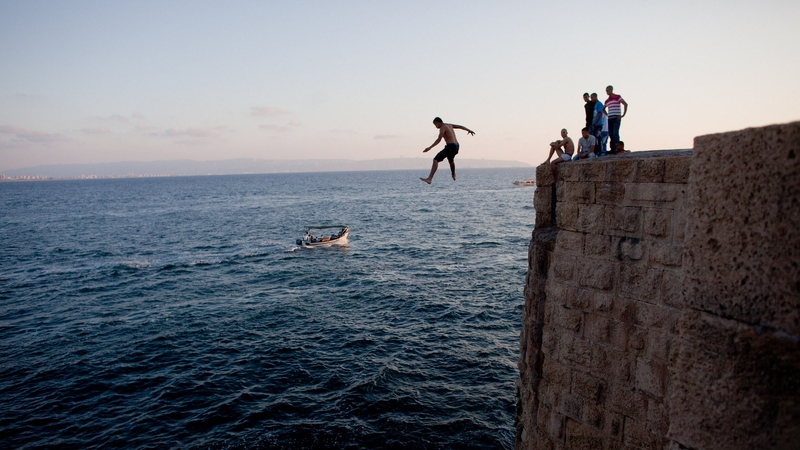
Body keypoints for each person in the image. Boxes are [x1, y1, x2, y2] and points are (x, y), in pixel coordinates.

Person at [420, 117, 475, 184]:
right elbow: (460, 126)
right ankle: (453, 174)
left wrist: (429, 147)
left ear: (438, 122)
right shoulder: (449, 125)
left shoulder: (443, 127)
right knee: (450, 160)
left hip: (450, 146)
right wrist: (468, 130)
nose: (436, 127)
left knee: (435, 160)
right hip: (456, 146)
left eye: (435, 125)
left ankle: (429, 178)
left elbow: (439, 139)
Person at [602, 85, 628, 153]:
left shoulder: (617, 97)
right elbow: (603, 109)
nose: (607, 92)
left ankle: (618, 148)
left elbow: (625, 104)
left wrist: (622, 115)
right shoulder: (607, 100)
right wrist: (607, 114)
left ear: (611, 90)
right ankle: (613, 149)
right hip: (610, 118)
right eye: (606, 91)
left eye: (608, 90)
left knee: (615, 133)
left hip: (616, 117)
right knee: (611, 134)